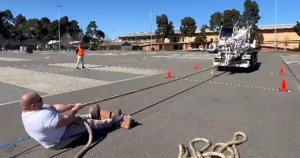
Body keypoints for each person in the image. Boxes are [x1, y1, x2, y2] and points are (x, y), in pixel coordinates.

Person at [20, 92, 124, 150]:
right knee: (87, 124)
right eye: (40, 100)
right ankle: (112, 121)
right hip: (58, 140)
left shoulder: (37, 108)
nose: (42, 101)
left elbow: (55, 107)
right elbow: (65, 121)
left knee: (77, 118)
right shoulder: (40, 117)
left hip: (58, 128)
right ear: (33, 105)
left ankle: (91, 115)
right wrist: (74, 111)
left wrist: (73, 106)